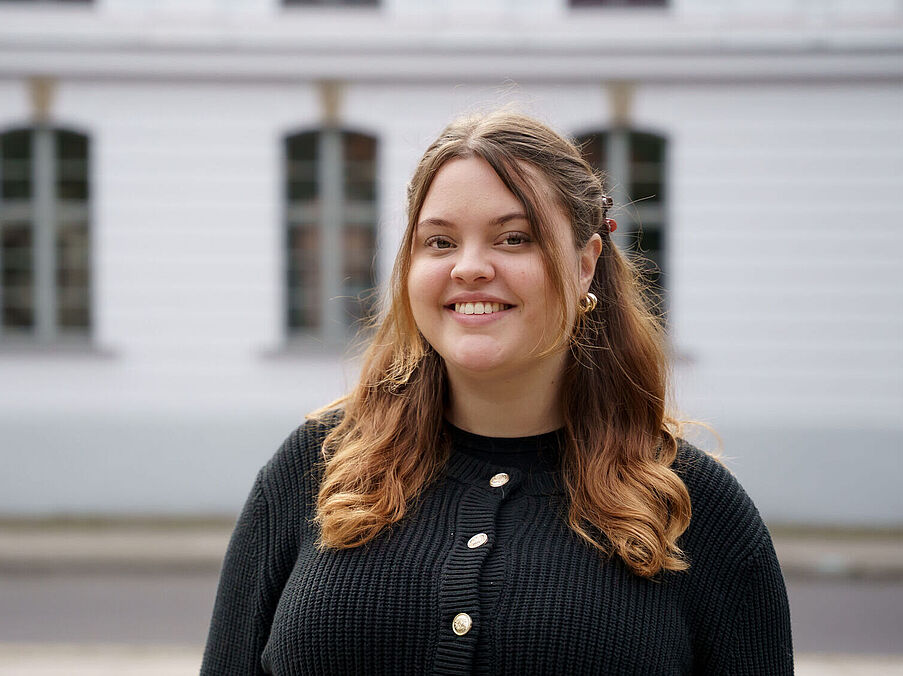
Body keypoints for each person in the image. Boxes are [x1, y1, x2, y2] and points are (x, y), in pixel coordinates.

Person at [201, 111, 792, 675]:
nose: (470, 268)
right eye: (439, 242)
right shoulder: (315, 468)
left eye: (513, 239)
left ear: (586, 263)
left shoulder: (693, 510)